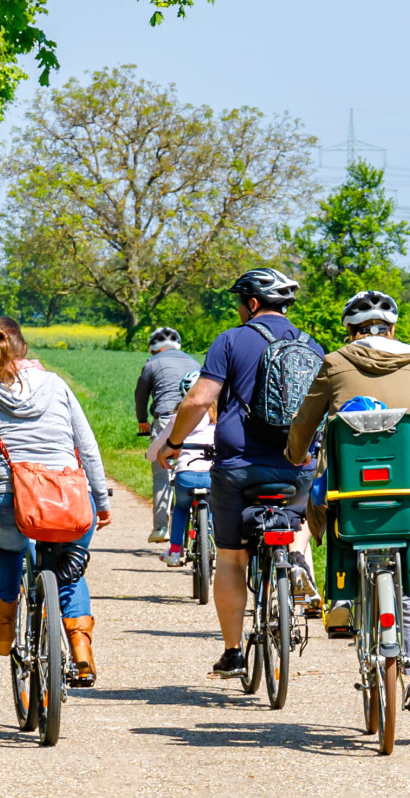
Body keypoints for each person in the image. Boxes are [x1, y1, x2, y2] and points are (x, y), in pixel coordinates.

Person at [284, 290, 410, 713]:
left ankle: (343, 600)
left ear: (350, 331)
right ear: (393, 328)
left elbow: (305, 421)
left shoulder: (335, 362)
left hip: (353, 490)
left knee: (340, 515)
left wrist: (295, 455)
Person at [158, 268, 323, 678]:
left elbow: (199, 400)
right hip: (298, 466)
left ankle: (233, 653)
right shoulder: (312, 345)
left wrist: (173, 443)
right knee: (295, 521)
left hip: (240, 467)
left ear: (251, 304)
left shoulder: (230, 340)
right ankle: (296, 563)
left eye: (239, 303)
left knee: (231, 557)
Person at [0, 317, 113, 685]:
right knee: (71, 568)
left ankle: (5, 632)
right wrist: (100, 501)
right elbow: (87, 448)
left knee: (7, 549)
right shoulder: (55, 385)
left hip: (10, 500)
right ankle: (82, 651)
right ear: (22, 345)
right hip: (69, 498)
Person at [134, 326, 200, 543]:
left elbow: (141, 393)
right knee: (195, 465)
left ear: (154, 348)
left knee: (162, 474)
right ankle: (203, 524)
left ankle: (161, 527)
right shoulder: (194, 362)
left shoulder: (152, 363)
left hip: (165, 419)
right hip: (195, 419)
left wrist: (142, 420)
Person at [146, 371, 215, 566]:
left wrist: (151, 455)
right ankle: (212, 542)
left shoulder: (177, 419)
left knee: (181, 508)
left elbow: (155, 451)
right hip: (211, 475)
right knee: (214, 505)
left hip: (186, 475)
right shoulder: (218, 419)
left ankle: (175, 551)